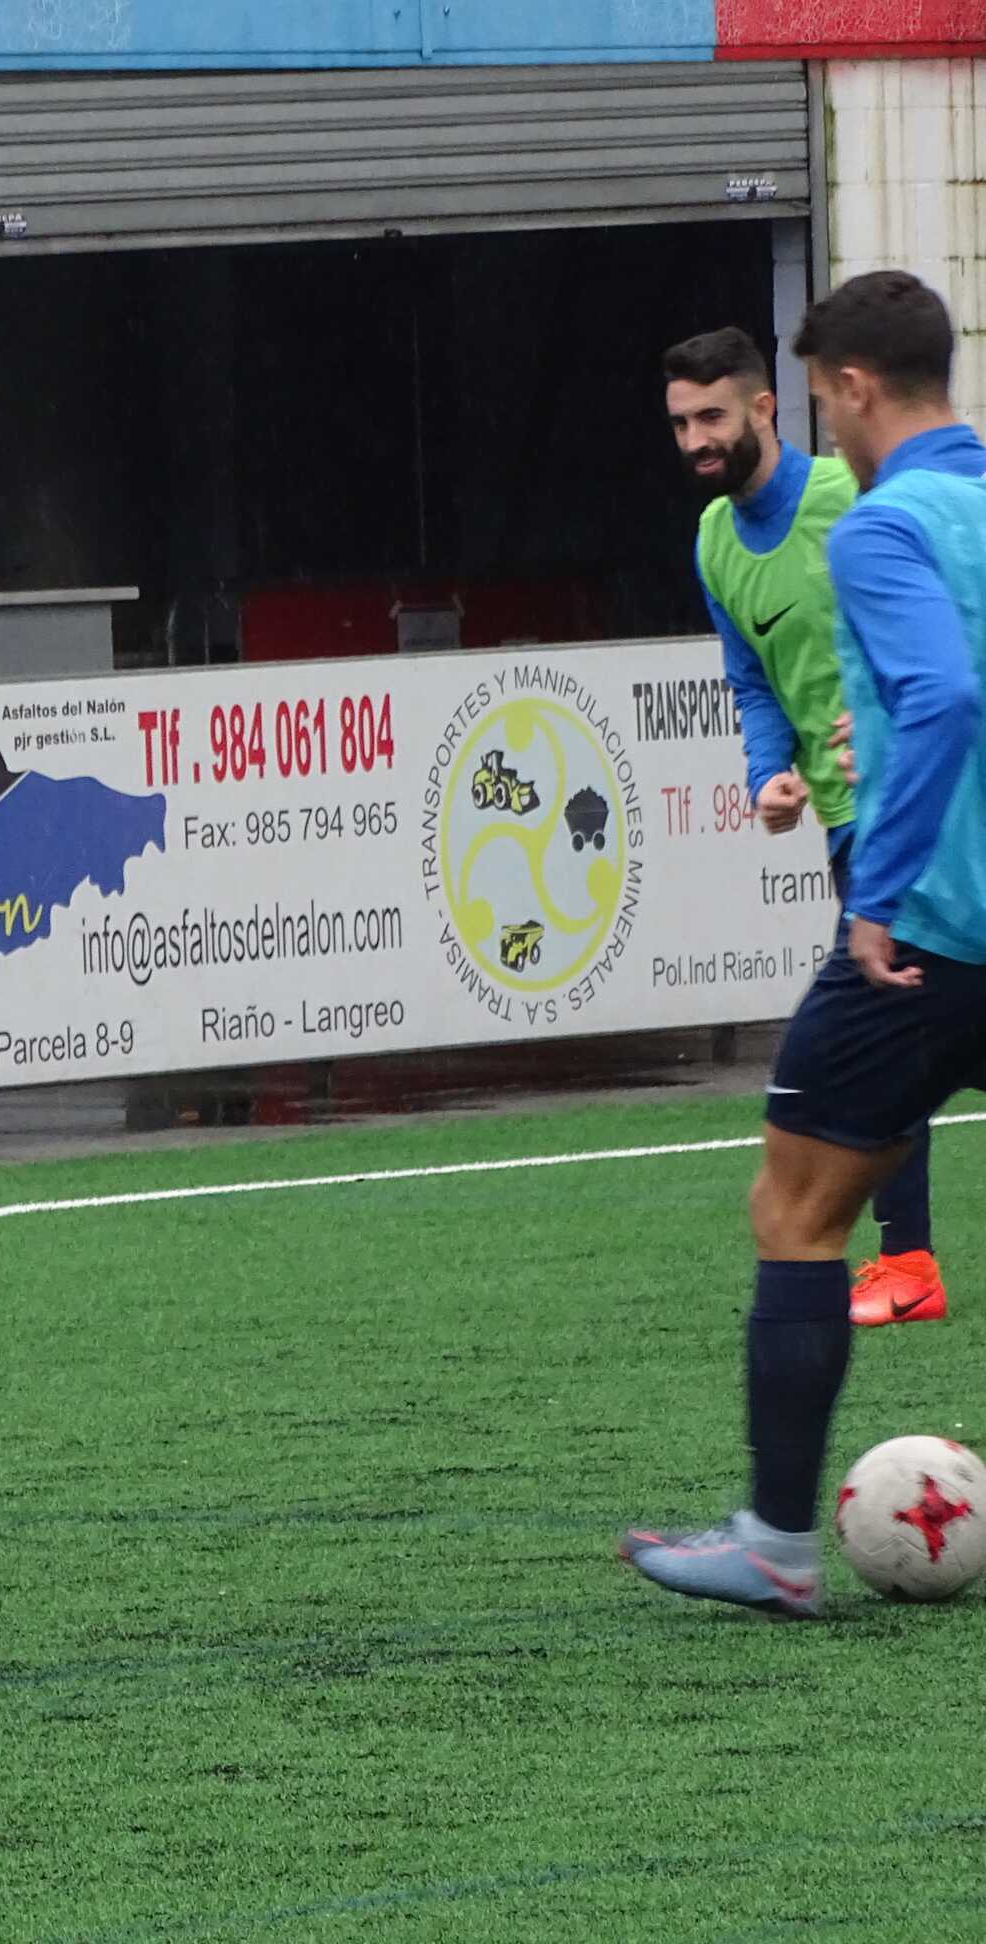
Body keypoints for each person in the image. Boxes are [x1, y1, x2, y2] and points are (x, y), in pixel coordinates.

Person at [623, 271, 986, 1616]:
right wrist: (835, 739)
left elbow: (943, 697)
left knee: (796, 1208)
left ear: (847, 389)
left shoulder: (877, 522)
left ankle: (777, 1544)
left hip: (932, 927)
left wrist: (877, 888)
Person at [663, 324, 947, 1327]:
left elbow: (945, 611)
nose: (696, 440)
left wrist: (890, 713)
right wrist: (767, 774)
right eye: (680, 423)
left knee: (880, 1042)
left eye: (712, 417)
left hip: (924, 808)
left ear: (765, 407)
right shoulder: (713, 541)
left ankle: (906, 1262)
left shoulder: (849, 497)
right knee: (902, 1037)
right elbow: (751, 679)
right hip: (844, 823)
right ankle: (906, 1261)